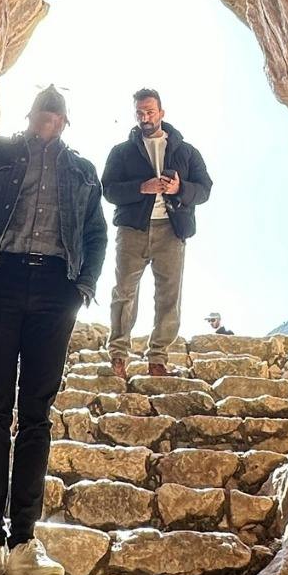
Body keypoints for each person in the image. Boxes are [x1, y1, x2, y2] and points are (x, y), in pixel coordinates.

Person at [0, 85, 107, 575]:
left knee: (37, 415)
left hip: (55, 289)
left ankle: (24, 542)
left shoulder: (83, 170)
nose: (49, 118)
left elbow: (96, 234)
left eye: (58, 112)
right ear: (31, 113)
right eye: (43, 110)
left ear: (65, 120)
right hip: (1, 279)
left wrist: (81, 286)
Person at [101, 88, 213, 378]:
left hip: (172, 231)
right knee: (124, 291)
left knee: (168, 295)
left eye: (150, 111)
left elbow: (205, 189)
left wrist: (180, 189)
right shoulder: (121, 152)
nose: (145, 117)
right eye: (139, 112)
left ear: (161, 112)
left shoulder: (187, 152)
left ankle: (158, 360)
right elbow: (108, 190)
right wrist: (142, 187)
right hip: (132, 229)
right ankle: (118, 356)